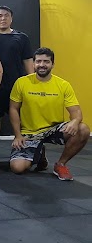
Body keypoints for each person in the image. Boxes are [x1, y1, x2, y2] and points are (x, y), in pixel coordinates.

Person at [9, 48, 89, 181]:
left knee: (83, 129)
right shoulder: (21, 82)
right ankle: (39, 153)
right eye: (38, 61)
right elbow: (13, 109)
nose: (42, 65)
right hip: (29, 132)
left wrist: (75, 121)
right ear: (33, 64)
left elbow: (76, 112)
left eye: (46, 61)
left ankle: (60, 164)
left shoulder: (63, 85)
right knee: (17, 168)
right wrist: (17, 135)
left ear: (52, 64)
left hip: (54, 129)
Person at [0, 6, 34, 145]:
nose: (3, 18)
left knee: (20, 117)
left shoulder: (22, 38)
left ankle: (24, 147)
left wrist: (32, 83)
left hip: (16, 85)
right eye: (0, 16)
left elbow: (28, 61)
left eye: (6, 15)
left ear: (11, 18)